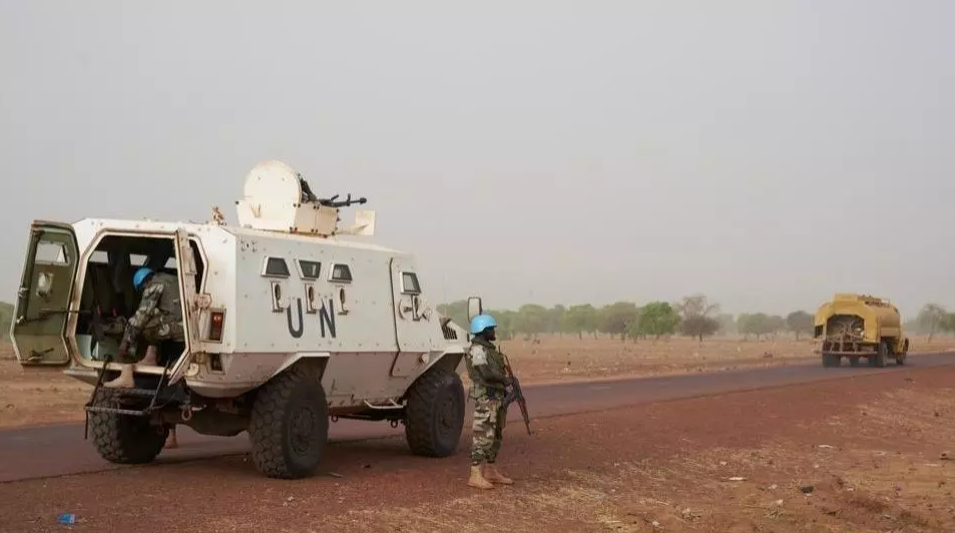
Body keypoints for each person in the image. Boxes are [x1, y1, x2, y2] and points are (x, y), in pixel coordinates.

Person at [104, 266, 185, 388]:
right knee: (153, 319)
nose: (144, 291)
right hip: (189, 328)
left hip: (178, 327)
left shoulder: (154, 285)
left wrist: (127, 340)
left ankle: (141, 364)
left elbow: (143, 314)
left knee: (145, 328)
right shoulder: (172, 280)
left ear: (144, 283)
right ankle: (152, 356)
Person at [464, 313, 515, 489]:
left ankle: (490, 471)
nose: (494, 332)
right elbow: (485, 373)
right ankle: (475, 474)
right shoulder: (477, 350)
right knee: (483, 435)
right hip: (487, 397)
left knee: (496, 435)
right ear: (483, 330)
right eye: (491, 329)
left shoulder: (489, 350)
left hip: (496, 397)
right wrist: (504, 379)